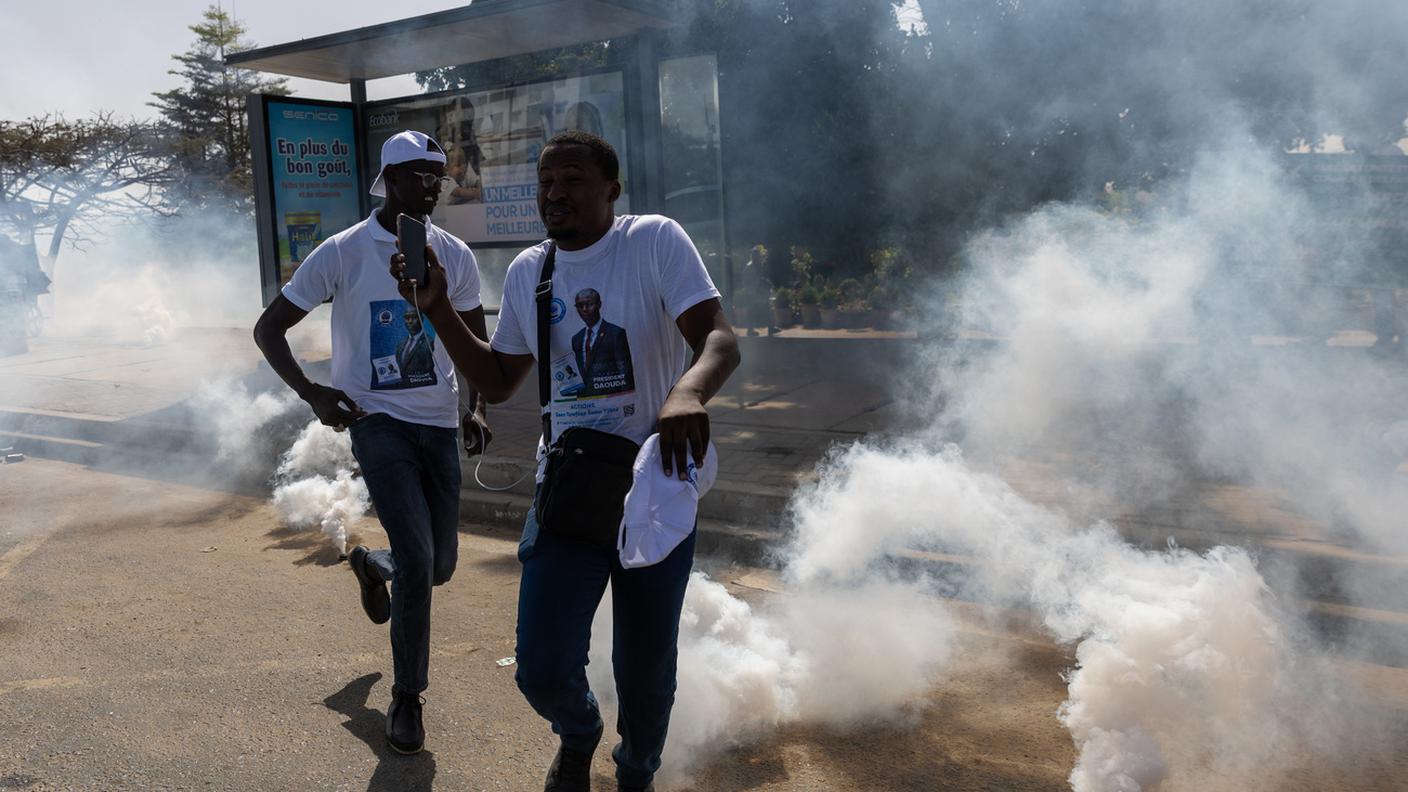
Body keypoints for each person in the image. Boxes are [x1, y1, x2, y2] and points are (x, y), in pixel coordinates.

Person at [389, 130, 740, 792]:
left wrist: (688, 391)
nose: (556, 193)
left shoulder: (654, 241)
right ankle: (578, 734)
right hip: (571, 488)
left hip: (657, 487)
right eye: (547, 181)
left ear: (611, 189)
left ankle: (636, 770)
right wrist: (435, 308)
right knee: (542, 666)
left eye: (573, 180)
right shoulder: (531, 272)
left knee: (644, 668)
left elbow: (719, 337)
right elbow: (497, 381)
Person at [253, 130, 492, 756]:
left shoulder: (454, 255)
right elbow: (269, 328)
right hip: (375, 419)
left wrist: (476, 405)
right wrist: (314, 393)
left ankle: (370, 564)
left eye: (437, 176)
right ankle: (408, 697)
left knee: (437, 565)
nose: (431, 187)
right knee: (421, 560)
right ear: (387, 180)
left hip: (437, 421)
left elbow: (475, 342)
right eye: (417, 175)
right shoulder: (343, 251)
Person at [570, 288, 635, 397]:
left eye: (589, 304)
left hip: (611, 401)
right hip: (584, 404)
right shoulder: (577, 338)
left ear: (599, 305)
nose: (585, 309)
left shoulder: (615, 333)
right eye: (580, 306)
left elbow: (625, 373)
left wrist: (627, 399)